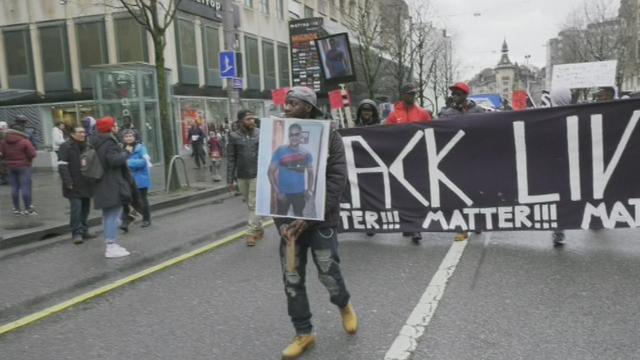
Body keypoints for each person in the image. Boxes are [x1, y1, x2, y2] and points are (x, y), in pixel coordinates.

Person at [277, 86, 357, 360]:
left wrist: (311, 216)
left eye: (292, 104)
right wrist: (280, 218)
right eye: (285, 104)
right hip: (289, 222)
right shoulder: (277, 135)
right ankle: (304, 333)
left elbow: (336, 179)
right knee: (292, 277)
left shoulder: (329, 135)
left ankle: (343, 304)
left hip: (320, 219)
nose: (286, 108)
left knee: (327, 270)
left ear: (308, 108)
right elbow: (270, 176)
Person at [438, 82, 486, 241]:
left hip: (476, 159)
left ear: (465, 95)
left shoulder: (479, 111)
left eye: (457, 94)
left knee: (476, 192)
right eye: (453, 94)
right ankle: (462, 228)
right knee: (459, 196)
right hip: (456, 160)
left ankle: (478, 222)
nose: (454, 96)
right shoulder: (447, 113)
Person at [385, 83, 432, 243]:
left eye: (414, 94)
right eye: (409, 94)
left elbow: (430, 133)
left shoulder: (423, 113)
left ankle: (416, 228)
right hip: (400, 159)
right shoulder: (393, 115)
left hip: (417, 160)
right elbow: (386, 136)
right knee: (403, 194)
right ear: (403, 95)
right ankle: (407, 225)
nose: (412, 96)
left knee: (416, 193)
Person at [91, 116, 131, 258]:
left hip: (101, 183)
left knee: (108, 215)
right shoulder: (109, 143)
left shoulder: (97, 141)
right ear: (110, 128)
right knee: (113, 216)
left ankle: (111, 242)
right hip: (111, 183)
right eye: (115, 125)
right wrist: (126, 152)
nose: (117, 127)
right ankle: (111, 246)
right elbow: (114, 161)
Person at [226, 110, 263, 246]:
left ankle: (250, 233)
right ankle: (258, 228)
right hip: (241, 176)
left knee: (253, 204)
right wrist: (229, 180)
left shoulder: (260, 133)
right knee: (250, 204)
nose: (252, 121)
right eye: (248, 119)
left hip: (256, 175)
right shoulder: (234, 136)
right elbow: (231, 159)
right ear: (241, 121)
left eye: (253, 119)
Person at [58, 126, 96, 244]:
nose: (83, 134)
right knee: (76, 209)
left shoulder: (88, 146)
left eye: (84, 132)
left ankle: (84, 230)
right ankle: (76, 233)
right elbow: (62, 166)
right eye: (80, 132)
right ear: (73, 134)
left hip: (86, 183)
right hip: (73, 184)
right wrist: (68, 182)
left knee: (85, 209)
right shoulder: (66, 146)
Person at [268, 122, 315, 218]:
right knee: (281, 218)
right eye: (291, 135)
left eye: (297, 134)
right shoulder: (280, 150)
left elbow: (310, 173)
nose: (294, 137)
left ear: (301, 135)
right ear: (289, 136)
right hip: (283, 194)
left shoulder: (306, 153)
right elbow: (270, 172)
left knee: (299, 217)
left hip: (299, 194)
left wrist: (309, 190)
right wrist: (278, 192)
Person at [355, 99, 381, 237]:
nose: (366, 113)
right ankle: (366, 222)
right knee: (362, 196)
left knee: (374, 195)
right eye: (364, 110)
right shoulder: (353, 126)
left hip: (374, 165)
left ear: (373, 112)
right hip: (358, 165)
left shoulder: (379, 127)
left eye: (369, 110)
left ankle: (374, 221)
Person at [0, 123, 37, 215]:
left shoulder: (3, 142)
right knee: (25, 187)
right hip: (24, 166)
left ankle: (16, 209)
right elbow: (32, 154)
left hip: (10, 166)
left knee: (14, 187)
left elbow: (2, 154)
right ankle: (28, 209)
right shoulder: (24, 141)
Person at [121, 129, 152, 228]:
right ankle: (128, 219)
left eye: (130, 136)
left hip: (140, 179)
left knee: (142, 200)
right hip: (127, 179)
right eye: (126, 136)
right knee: (128, 201)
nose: (128, 138)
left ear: (135, 137)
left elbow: (143, 162)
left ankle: (146, 219)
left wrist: (128, 163)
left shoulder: (141, 147)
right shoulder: (122, 149)